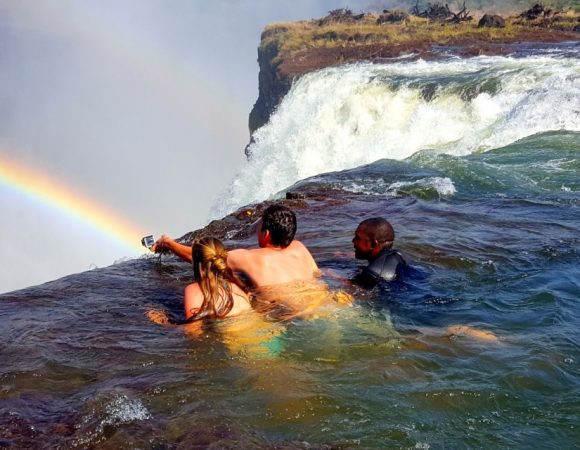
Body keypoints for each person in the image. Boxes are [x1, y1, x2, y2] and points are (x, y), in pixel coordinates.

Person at [151, 204, 319, 288]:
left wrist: (169, 244)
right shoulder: (299, 248)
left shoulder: (250, 258)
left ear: (266, 234)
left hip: (287, 314)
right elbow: (319, 274)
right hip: (323, 303)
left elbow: (206, 256)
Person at [352, 217, 408, 287]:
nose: (353, 241)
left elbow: (354, 290)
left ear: (373, 244)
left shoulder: (372, 274)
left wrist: (334, 276)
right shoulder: (402, 255)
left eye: (357, 238)